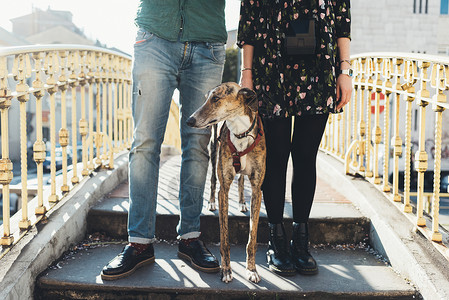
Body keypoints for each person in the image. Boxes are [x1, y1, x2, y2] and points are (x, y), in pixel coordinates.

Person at [101, 0, 227, 280]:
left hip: (208, 42)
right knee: (145, 144)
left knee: (197, 143)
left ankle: (190, 238)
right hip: (155, 38)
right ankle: (139, 243)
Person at [238, 0, 352, 276]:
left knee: (305, 156)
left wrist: (344, 71)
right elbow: (249, 22)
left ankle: (301, 240)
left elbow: (341, 20)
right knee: (276, 157)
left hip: (319, 69)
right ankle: (276, 240)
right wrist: (246, 74)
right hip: (271, 68)